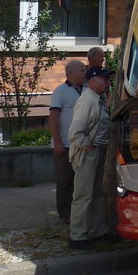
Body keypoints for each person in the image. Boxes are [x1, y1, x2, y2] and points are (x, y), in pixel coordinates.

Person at [67, 66, 114, 250]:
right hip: (88, 153)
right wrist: (88, 145)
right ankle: (78, 235)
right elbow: (74, 133)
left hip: (95, 150)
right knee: (83, 195)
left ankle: (97, 231)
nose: (108, 82)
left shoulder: (95, 99)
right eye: (104, 79)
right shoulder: (87, 100)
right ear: (93, 81)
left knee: (95, 193)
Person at [48, 59, 86, 224]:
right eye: (82, 70)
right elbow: (53, 116)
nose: (85, 73)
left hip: (82, 144)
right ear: (70, 73)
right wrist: (57, 141)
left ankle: (79, 213)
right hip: (64, 144)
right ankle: (65, 214)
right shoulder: (61, 91)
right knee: (64, 181)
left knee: (81, 181)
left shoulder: (86, 90)